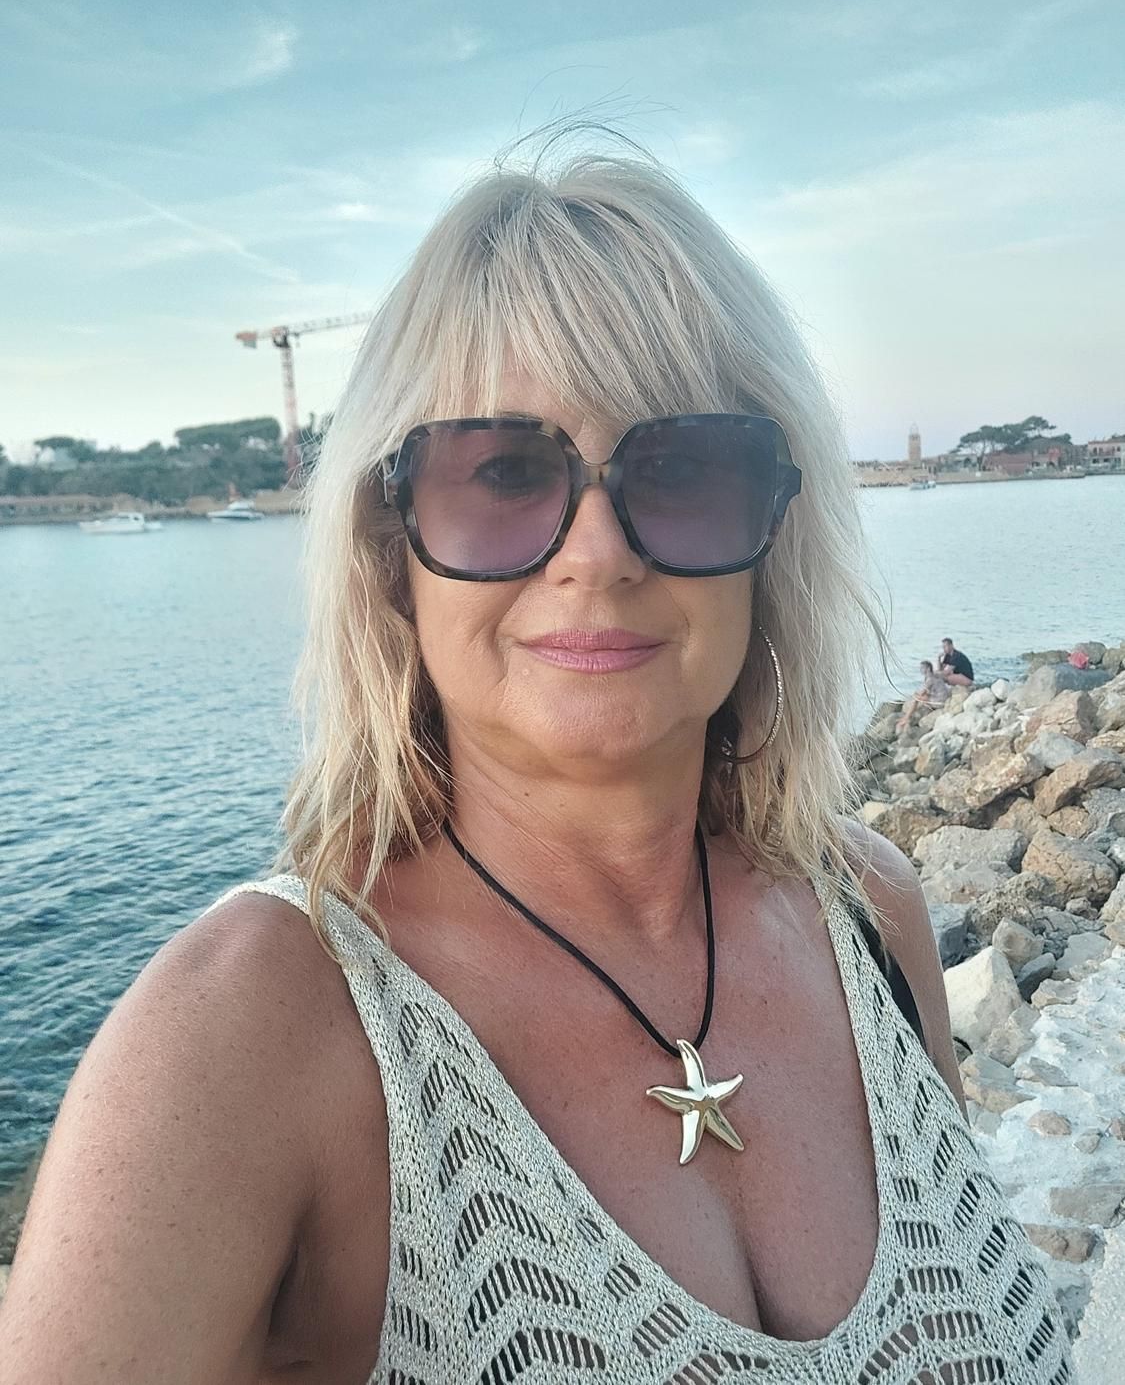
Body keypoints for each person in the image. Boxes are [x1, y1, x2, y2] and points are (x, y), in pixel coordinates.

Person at [1, 141, 1071, 1383]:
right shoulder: (245, 1037)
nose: (598, 553)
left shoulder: (870, 912)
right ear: (389, 551)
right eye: (504, 473)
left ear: (775, 530)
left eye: (680, 468)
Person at [896, 660, 953, 731]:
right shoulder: (935, 674)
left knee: (916, 699)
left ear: (928, 669)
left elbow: (922, 693)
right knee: (920, 696)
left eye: (922, 668)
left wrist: (916, 695)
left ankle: (906, 718)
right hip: (943, 698)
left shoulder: (929, 679)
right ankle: (906, 717)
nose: (920, 670)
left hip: (939, 702)